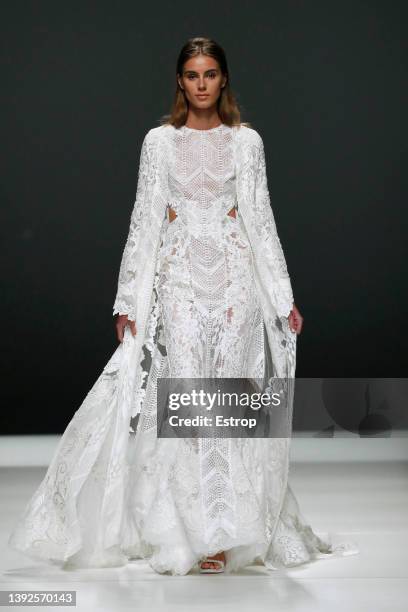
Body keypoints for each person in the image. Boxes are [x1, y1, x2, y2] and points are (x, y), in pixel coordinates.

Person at [8, 37, 358, 576]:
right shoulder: (159, 143)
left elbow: (260, 221)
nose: (201, 84)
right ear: (180, 81)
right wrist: (128, 298)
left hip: (237, 286)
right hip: (178, 285)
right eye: (192, 74)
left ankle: (225, 530)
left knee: (231, 400)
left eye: (210, 74)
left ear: (223, 80)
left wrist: (282, 297)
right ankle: (188, 530)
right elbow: (145, 219)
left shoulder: (247, 143)